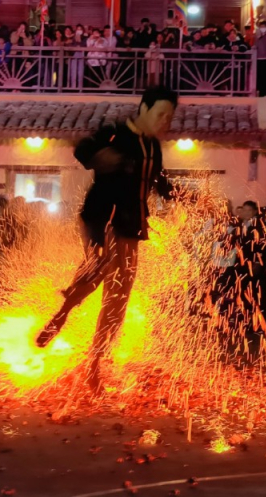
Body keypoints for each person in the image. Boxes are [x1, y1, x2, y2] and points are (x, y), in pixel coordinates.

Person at [36, 86, 178, 390]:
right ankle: (61, 315)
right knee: (97, 274)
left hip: (132, 227)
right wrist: (102, 156)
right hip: (102, 221)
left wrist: (184, 196)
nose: (165, 121)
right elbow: (83, 149)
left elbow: (158, 180)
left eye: (170, 117)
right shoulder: (115, 132)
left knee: (117, 299)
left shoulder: (153, 147)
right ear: (143, 109)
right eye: (161, 114)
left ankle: (94, 365)